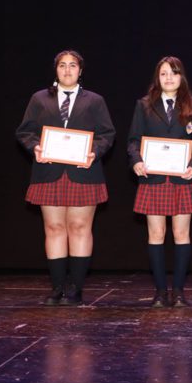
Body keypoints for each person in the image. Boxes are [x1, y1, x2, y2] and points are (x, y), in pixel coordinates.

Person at [16, 50, 115, 306]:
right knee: (54, 228)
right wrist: (36, 147)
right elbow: (25, 132)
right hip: (49, 172)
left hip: (84, 172)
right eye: (62, 65)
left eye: (72, 65)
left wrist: (94, 152)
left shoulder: (95, 100)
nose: (67, 70)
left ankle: (76, 288)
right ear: (56, 69)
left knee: (80, 227)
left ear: (80, 71)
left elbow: (107, 134)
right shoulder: (39, 99)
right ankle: (57, 287)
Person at [128, 56, 192, 308]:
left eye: (173, 73)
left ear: (181, 76)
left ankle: (179, 292)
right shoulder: (144, 105)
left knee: (181, 233)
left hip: (183, 179)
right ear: (157, 78)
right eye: (163, 74)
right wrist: (137, 161)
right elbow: (133, 141)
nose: (169, 78)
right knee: (156, 234)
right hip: (153, 179)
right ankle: (160, 292)